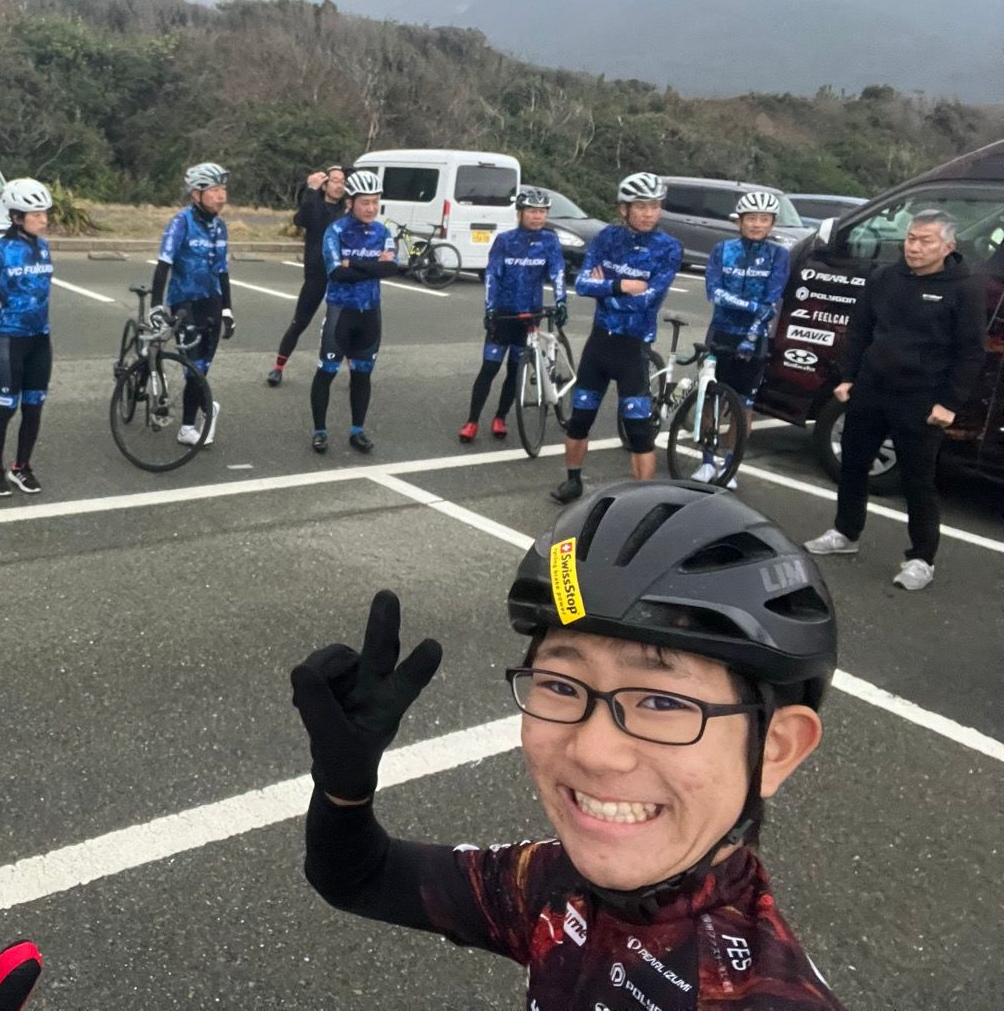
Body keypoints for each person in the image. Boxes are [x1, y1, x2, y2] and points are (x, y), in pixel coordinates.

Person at [292, 482, 845, 1009]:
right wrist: (344, 790)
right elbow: (360, 876)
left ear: (777, 748)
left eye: (661, 701)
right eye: (560, 685)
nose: (593, 752)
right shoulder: (555, 884)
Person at [804, 208, 987, 590]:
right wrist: (848, 376)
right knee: (853, 465)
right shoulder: (885, 278)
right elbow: (860, 329)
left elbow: (970, 352)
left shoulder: (965, 288)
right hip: (872, 388)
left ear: (947, 246)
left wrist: (950, 403)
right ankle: (845, 532)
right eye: (910, 239)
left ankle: (921, 559)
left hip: (922, 398)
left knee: (918, 480)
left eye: (925, 241)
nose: (914, 247)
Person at [553, 173, 682, 503]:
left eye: (655, 206)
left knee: (639, 433)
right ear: (624, 209)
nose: (648, 213)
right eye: (640, 206)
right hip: (599, 344)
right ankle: (572, 481)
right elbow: (582, 284)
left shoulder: (668, 248)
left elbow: (649, 299)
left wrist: (605, 288)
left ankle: (641, 501)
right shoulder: (607, 238)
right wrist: (620, 285)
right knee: (579, 420)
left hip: (633, 347)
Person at [695, 190, 790, 486]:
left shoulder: (778, 255)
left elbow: (772, 301)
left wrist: (754, 309)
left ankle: (729, 464)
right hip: (721, 333)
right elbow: (714, 293)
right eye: (751, 218)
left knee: (743, 405)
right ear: (739, 221)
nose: (757, 224)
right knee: (709, 399)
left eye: (764, 219)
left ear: (772, 223)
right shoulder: (722, 250)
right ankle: (706, 460)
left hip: (755, 339)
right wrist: (752, 306)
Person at [460, 187, 567, 443]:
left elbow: (558, 272)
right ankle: (472, 421)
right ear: (520, 213)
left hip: (530, 315)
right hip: (503, 315)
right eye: (532, 211)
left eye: (542, 212)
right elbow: (492, 275)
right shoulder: (505, 240)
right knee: (489, 368)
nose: (537, 216)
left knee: (515, 370)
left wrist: (561, 301)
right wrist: (489, 308)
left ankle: (501, 416)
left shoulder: (550, 241)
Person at [310, 170, 399, 454]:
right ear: (350, 202)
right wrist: (373, 266)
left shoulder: (382, 231)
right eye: (365, 202)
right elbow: (337, 273)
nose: (371, 208)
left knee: (362, 375)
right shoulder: (336, 231)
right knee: (326, 373)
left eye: (375, 202)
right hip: (341, 312)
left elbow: (391, 268)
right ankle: (320, 431)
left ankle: (357, 431)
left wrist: (355, 264)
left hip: (370, 313)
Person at [0, 178, 56, 497]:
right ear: (16, 217)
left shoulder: (43, 246)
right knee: (5, 408)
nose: (44, 219)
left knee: (34, 407)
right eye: (36, 214)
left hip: (39, 338)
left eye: (45, 213)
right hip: (8, 339)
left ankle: (21, 467)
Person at [152, 162, 234, 447]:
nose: (222, 196)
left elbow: (223, 271)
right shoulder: (181, 222)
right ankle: (193, 422)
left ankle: (198, 415)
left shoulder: (220, 226)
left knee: (204, 367)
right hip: (184, 302)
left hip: (211, 302)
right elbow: (163, 265)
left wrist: (227, 310)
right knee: (193, 367)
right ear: (196, 193)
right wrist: (156, 306)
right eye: (214, 190)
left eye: (223, 189)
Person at [268, 165, 348, 387]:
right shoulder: (315, 205)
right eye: (334, 181)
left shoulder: (346, 210)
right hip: (316, 274)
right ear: (324, 184)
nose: (339, 185)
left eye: (342, 181)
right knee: (299, 322)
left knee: (346, 323)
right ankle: (278, 367)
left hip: (341, 275)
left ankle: (356, 370)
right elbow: (301, 219)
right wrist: (310, 190)